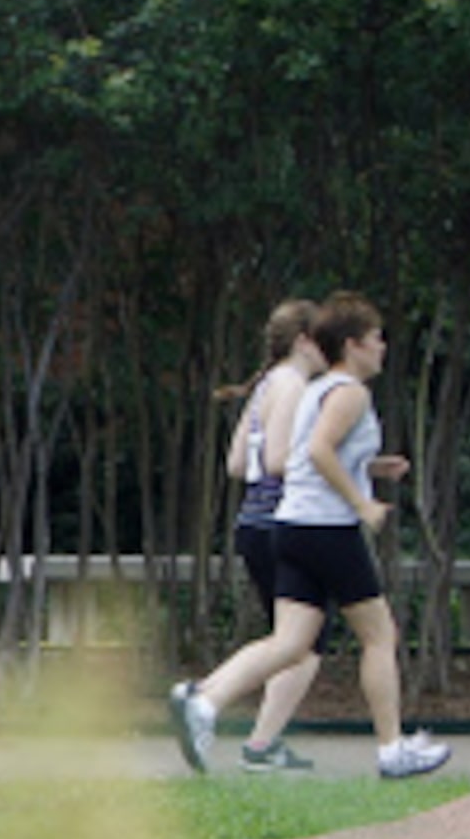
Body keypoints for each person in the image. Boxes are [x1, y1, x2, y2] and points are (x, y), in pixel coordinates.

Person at [168, 291, 450, 780]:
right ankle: (392, 749)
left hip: (292, 526)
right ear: (353, 345)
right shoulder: (349, 392)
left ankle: (205, 702)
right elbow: (319, 451)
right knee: (380, 635)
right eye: (377, 338)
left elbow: (306, 456)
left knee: (292, 643)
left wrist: (370, 468)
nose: (383, 347)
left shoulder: (315, 390)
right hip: (327, 529)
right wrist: (362, 503)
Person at [221, 299, 329, 771]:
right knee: (301, 642)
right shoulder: (294, 385)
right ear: (305, 340)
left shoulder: (266, 384)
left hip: (252, 523)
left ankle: (262, 743)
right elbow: (278, 460)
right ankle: (210, 702)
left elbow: (237, 464)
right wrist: (334, 468)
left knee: (296, 641)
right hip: (284, 523)